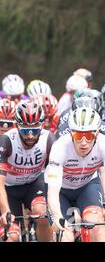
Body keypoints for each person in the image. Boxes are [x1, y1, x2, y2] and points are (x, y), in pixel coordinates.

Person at [45, 107, 105, 242]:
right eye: (78, 136)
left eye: (89, 136)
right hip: (61, 191)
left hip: (87, 186)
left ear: (97, 133)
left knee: (96, 226)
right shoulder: (60, 147)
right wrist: (57, 216)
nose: (83, 142)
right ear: (71, 134)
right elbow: (53, 191)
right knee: (65, 236)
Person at [0, 101, 56, 242]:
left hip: (34, 183)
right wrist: (5, 210)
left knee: (43, 215)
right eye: (25, 130)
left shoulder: (49, 139)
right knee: (12, 235)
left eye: (35, 130)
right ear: (17, 126)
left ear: (42, 126)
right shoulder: (6, 141)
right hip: (9, 189)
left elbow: (55, 175)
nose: (30, 136)